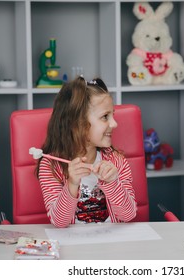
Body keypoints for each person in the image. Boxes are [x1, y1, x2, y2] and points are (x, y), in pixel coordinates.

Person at [36, 76, 137, 228]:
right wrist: (72, 184)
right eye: (105, 117)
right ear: (78, 124)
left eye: (113, 115)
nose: (114, 123)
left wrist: (112, 182)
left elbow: (129, 215)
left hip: (112, 245)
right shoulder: (51, 166)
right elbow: (59, 222)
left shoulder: (116, 160)